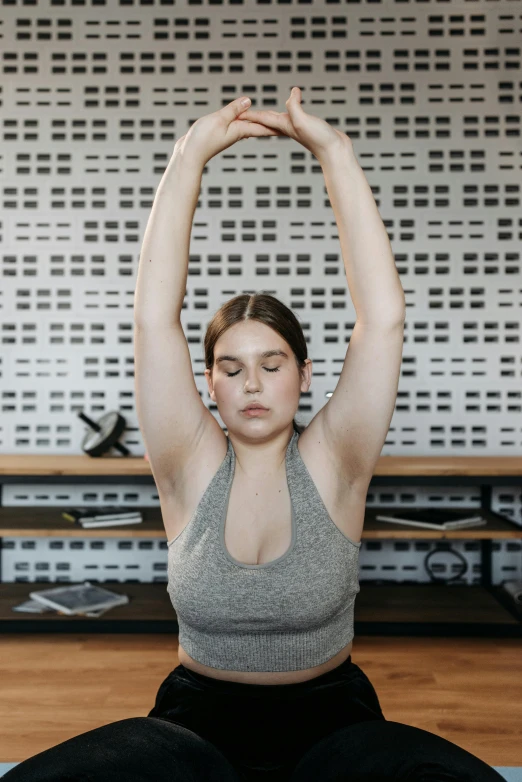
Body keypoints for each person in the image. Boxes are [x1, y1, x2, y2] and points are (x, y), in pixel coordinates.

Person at [4, 95, 505, 782]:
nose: (251, 385)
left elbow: (382, 319)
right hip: (195, 727)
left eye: (271, 366)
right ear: (208, 383)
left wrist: (336, 154)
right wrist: (189, 157)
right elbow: (155, 319)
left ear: (303, 375)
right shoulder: (187, 462)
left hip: (334, 724)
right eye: (231, 369)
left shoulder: (337, 460)